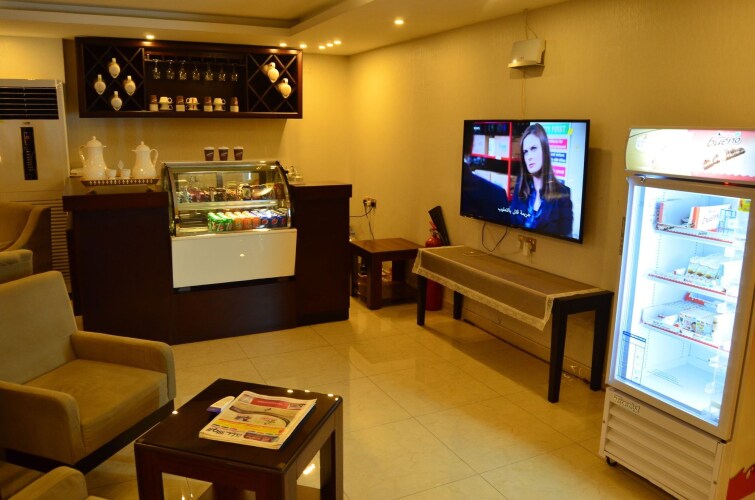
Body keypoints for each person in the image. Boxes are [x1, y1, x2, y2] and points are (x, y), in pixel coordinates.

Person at [509, 123, 573, 237]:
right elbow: (511, 224)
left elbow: (566, 239)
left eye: (533, 149)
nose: (529, 157)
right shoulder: (520, 186)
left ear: (545, 150)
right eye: (525, 152)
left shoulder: (563, 194)